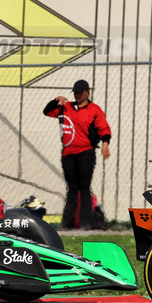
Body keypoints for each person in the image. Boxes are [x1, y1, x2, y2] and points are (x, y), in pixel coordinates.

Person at [44, 80, 112, 230]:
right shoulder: (66, 108)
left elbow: (104, 129)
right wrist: (55, 101)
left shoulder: (94, 110)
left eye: (80, 93)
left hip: (86, 152)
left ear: (87, 92)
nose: (77, 95)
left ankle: (86, 223)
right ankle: (67, 223)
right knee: (72, 188)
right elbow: (47, 112)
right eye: (75, 93)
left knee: (84, 187)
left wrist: (105, 145)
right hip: (68, 153)